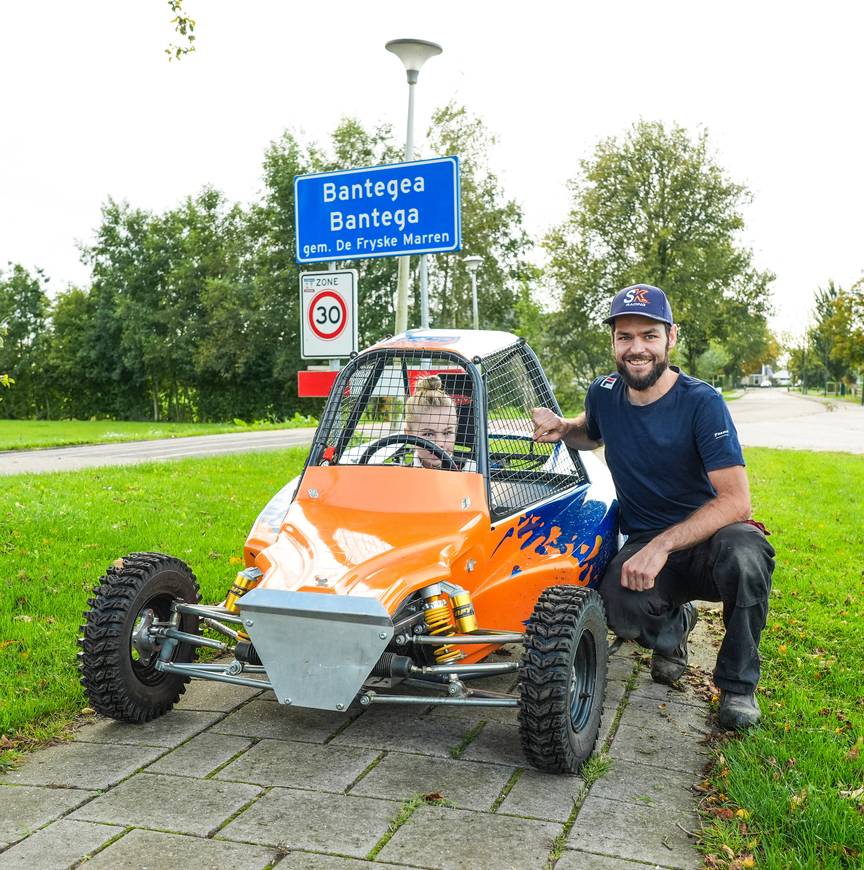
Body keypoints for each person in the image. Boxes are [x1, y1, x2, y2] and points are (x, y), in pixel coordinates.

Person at [531, 284, 775, 729]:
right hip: (645, 541)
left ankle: (738, 687)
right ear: (613, 343)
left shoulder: (702, 403)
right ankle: (675, 626)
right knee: (615, 607)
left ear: (670, 338)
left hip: (710, 539)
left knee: (747, 555)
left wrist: (662, 546)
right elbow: (594, 429)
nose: (636, 347)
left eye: (649, 335)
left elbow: (737, 501)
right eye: (625, 337)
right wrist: (564, 427)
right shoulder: (603, 392)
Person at [405, 375, 475, 471]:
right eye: (428, 434)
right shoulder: (399, 477)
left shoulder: (471, 469)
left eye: (447, 433)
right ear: (409, 434)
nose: (440, 443)